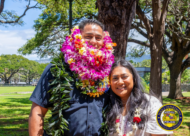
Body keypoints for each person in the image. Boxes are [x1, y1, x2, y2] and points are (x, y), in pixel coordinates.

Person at [28, 19, 115, 136]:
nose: (94, 41)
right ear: (78, 38)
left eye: (98, 38)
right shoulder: (57, 69)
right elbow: (37, 110)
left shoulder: (109, 72)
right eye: (88, 36)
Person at [107, 59, 173, 136]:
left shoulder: (151, 103)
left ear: (134, 79)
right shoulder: (107, 105)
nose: (120, 82)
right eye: (115, 78)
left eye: (124, 77)